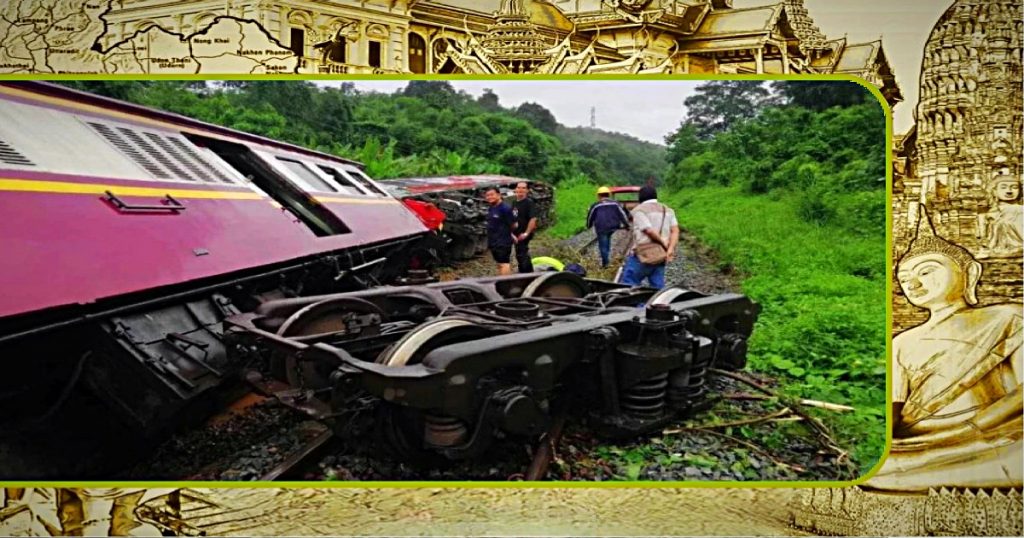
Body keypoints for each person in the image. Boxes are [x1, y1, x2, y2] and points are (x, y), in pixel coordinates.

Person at [865, 207, 1022, 491]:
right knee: (875, 467)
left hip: (994, 435)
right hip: (920, 444)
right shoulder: (902, 342)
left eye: (926, 271)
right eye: (904, 279)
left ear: (969, 272)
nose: (914, 283)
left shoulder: (1009, 318)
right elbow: (894, 409)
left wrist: (974, 427)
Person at [619, 185, 678, 289]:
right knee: (657, 287)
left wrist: (662, 242)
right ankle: (656, 304)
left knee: (629, 283)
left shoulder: (639, 210)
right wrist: (670, 249)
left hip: (642, 254)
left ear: (640, 197)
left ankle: (639, 305)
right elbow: (675, 230)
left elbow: (648, 230)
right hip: (661, 254)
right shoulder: (668, 210)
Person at [586, 186, 631, 268]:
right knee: (607, 241)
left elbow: (590, 216)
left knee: (603, 245)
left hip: (601, 227)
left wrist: (589, 225)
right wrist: (627, 225)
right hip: (613, 227)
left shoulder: (596, 205)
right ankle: (606, 259)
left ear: (599, 195)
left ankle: (605, 263)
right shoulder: (615, 204)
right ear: (608, 195)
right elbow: (622, 215)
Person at [484, 187, 515, 275]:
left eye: (492, 195)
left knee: (504, 264)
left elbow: (513, 225)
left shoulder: (505, 209)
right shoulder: (492, 207)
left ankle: (506, 284)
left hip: (503, 242)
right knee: (499, 264)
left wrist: (509, 234)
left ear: (499, 195)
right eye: (487, 195)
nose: (490, 197)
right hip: (494, 241)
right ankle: (503, 281)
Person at [511, 182, 538, 273]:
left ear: (527, 190)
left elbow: (533, 219)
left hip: (523, 233)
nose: (520, 190)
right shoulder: (514, 202)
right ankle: (525, 272)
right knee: (519, 254)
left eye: (523, 188)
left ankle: (526, 274)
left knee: (522, 254)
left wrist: (526, 233)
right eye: (518, 188)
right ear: (515, 189)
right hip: (516, 233)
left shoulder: (529, 203)